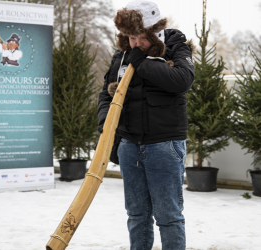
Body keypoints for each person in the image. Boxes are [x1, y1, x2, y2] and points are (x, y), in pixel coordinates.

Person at [97, 0, 196, 249]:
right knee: (137, 216)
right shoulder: (123, 54)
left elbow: (182, 80)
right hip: (129, 146)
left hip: (164, 146)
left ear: (155, 32)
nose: (135, 44)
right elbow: (106, 95)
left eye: (141, 38)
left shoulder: (175, 46)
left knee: (168, 217)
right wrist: (106, 129)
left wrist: (141, 63)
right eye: (130, 38)